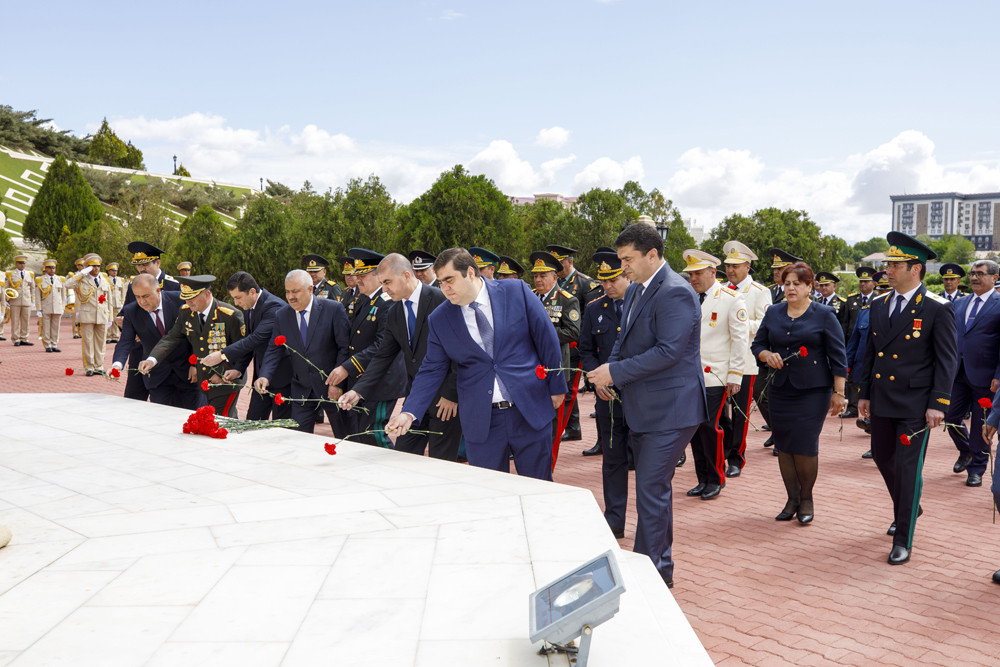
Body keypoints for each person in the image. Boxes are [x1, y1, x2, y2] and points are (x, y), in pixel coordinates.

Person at [586, 222, 708, 588]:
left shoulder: (674, 292)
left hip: (671, 409)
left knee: (651, 489)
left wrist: (616, 371)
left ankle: (654, 574)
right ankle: (651, 565)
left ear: (652, 255)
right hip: (645, 406)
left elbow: (669, 351)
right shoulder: (640, 288)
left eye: (628, 259)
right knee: (652, 490)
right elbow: (624, 342)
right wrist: (609, 372)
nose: (623, 267)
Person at [385, 248, 567, 481]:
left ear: (470, 272)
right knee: (490, 493)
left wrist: (556, 386)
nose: (445, 288)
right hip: (482, 421)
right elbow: (432, 369)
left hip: (528, 409)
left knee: (538, 488)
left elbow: (546, 338)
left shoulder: (515, 291)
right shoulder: (441, 319)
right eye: (440, 282)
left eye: (449, 280)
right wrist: (409, 413)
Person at [859, 232, 958, 565]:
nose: (888, 269)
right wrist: (864, 394)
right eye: (888, 263)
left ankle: (903, 536)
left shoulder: (937, 308)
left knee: (906, 467)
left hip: (916, 403)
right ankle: (910, 503)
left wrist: (939, 403)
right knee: (883, 457)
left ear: (916, 269)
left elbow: (947, 360)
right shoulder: (878, 304)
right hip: (883, 398)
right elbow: (870, 353)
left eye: (895, 264)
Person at [339, 253, 462, 460]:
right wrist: (358, 391)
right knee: (402, 457)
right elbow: (383, 356)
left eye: (387, 282)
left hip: (445, 401)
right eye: (382, 283)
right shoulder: (395, 310)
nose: (384, 289)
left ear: (406, 275)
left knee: (442, 464)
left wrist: (451, 394)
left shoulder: (441, 300)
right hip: (415, 399)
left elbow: (459, 352)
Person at [752, 261, 848, 525]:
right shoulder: (773, 312)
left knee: (804, 445)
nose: (790, 288)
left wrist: (839, 392)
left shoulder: (824, 314)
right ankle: (791, 498)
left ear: (809, 286)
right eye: (787, 283)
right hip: (780, 389)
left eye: (797, 283)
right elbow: (758, 344)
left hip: (813, 392)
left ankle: (806, 498)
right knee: (784, 446)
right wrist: (766, 354)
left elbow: (838, 357)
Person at [326, 248, 408, 446]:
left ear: (377, 276)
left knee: (375, 434)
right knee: (363, 434)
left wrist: (348, 366)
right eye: (357, 275)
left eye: (362, 275)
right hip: (366, 380)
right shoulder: (367, 299)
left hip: (382, 382)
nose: (357, 280)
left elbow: (382, 345)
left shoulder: (387, 303)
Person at [255, 270, 351, 434]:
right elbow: (274, 348)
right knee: (298, 438)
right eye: (287, 291)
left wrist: (338, 383)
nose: (291, 296)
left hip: (332, 387)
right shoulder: (282, 315)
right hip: (302, 388)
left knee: (345, 436)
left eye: (295, 291)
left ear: (310, 289)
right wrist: (264, 375)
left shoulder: (333, 309)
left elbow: (345, 347)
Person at [686, 249, 748, 500]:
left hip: (716, 375)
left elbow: (740, 339)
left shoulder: (731, 299)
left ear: (713, 272)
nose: (693, 279)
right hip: (690, 375)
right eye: (690, 274)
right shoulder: (690, 297)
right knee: (693, 428)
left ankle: (716, 478)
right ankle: (702, 478)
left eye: (698, 273)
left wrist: (735, 374)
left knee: (709, 426)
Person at [139, 275, 246, 416]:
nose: (188, 302)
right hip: (204, 380)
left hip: (226, 381)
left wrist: (222, 372)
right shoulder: (185, 312)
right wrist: (152, 359)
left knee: (221, 421)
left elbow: (242, 350)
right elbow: (172, 337)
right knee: (218, 421)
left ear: (207, 294)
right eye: (185, 298)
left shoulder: (230, 315)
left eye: (192, 298)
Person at [579, 251, 632, 535]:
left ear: (627, 275)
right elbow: (586, 349)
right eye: (604, 282)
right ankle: (615, 520)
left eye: (613, 280)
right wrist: (595, 379)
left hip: (639, 397)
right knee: (613, 461)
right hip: (608, 398)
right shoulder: (594, 308)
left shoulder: (641, 305)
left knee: (646, 463)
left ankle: (649, 522)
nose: (608, 287)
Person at [200, 272, 293, 421]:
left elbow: (256, 339)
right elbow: (249, 342)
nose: (236, 303)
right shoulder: (250, 306)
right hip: (260, 377)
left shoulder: (273, 307)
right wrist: (238, 369)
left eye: (238, 297)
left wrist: (222, 354)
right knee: (252, 421)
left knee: (281, 426)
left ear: (252, 292)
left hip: (281, 377)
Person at [943, 259, 1000, 487]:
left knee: (980, 423)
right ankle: (966, 450)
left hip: (987, 376)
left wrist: (998, 374)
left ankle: (976, 468)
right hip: (957, 373)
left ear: (995, 277)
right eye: (972, 273)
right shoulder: (959, 303)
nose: (974, 278)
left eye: (980, 274)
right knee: (949, 416)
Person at [112, 274, 203, 409]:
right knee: (161, 419)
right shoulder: (131, 311)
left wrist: (195, 364)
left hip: (187, 372)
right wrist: (117, 365)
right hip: (158, 376)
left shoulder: (181, 301)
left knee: (194, 417)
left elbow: (198, 334)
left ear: (158, 290)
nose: (142, 301)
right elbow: (125, 341)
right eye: (137, 297)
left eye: (146, 296)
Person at [721, 240, 771, 476]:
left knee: (740, 413)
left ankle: (736, 458)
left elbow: (764, 324)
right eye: (728, 265)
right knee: (719, 412)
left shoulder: (760, 292)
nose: (731, 270)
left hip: (746, 362)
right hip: (721, 360)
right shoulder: (722, 290)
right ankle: (723, 449)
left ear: (748, 266)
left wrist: (738, 325)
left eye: (736, 266)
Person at [119, 242, 181, 402]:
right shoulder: (135, 285)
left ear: (157, 263)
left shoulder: (174, 285)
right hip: (141, 350)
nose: (142, 269)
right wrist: (124, 325)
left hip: (169, 354)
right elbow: (126, 314)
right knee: (133, 397)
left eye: (146, 264)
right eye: (138, 266)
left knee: (168, 401)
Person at [531, 250, 582, 442]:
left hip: (555, 368)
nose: (538, 280)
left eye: (542, 275)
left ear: (554, 277)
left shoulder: (567, 299)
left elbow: (572, 332)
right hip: (531, 368)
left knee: (552, 424)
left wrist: (542, 336)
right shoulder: (530, 297)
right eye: (535, 275)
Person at [65, 254, 113, 375]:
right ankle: (90, 367)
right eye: (93, 266)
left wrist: (110, 317)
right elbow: (67, 284)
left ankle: (99, 365)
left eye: (98, 266)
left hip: (102, 315)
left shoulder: (105, 280)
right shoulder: (82, 280)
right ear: (88, 268)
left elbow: (110, 301)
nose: (96, 268)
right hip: (87, 316)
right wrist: (81, 273)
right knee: (88, 342)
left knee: (101, 343)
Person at [843, 266, 877, 418]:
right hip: (858, 351)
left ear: (873, 284)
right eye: (861, 281)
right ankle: (852, 407)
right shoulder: (855, 303)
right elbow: (847, 326)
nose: (862, 284)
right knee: (854, 380)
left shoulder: (877, 302)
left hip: (876, 357)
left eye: (866, 281)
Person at [34, 259, 65, 353]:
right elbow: (37, 295)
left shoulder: (60, 279)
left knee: (56, 327)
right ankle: (47, 345)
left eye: (53, 268)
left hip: (57, 306)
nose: (52, 270)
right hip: (46, 306)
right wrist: (38, 308)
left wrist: (63, 306)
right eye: (50, 268)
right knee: (46, 327)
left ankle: (54, 344)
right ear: (46, 269)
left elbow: (63, 295)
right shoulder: (40, 280)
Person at [6, 254, 35, 346]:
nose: (22, 265)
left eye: (24, 263)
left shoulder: (29, 274)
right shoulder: (10, 274)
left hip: (26, 300)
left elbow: (32, 288)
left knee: (26, 320)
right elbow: (6, 288)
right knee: (15, 321)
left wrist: (33, 300)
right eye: (20, 263)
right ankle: (16, 339)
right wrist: (6, 300)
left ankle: (24, 338)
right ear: (16, 264)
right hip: (15, 301)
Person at [105, 262, 127, 343]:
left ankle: (115, 336)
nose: (114, 272)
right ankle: (108, 336)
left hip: (117, 303)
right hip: (109, 303)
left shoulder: (120, 280)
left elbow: (122, 291)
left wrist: (122, 302)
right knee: (109, 319)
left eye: (116, 271)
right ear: (109, 271)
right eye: (113, 270)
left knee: (116, 320)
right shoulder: (105, 280)